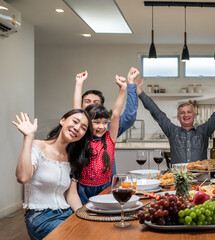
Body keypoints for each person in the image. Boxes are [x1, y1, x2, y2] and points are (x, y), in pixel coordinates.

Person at [12, 110, 92, 240]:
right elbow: (23, 177)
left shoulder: (73, 158)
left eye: (83, 128)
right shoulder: (38, 147)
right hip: (41, 217)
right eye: (75, 121)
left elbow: (72, 195)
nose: (77, 128)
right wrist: (28, 137)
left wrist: (85, 216)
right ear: (62, 121)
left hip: (66, 213)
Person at [135, 75, 215, 164]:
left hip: (200, 179)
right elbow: (156, 112)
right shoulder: (172, 131)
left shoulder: (203, 131)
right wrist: (140, 92)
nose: (186, 115)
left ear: (194, 115)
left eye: (189, 112)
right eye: (182, 113)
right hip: (178, 179)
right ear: (178, 117)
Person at [74, 74, 131, 205]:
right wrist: (79, 83)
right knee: (85, 218)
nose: (102, 126)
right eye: (97, 122)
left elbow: (116, 114)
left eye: (105, 122)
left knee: (105, 214)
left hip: (106, 188)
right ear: (87, 123)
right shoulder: (81, 138)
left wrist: (122, 89)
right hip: (83, 189)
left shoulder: (110, 137)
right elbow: (76, 111)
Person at [73, 67, 140, 176]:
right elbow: (75, 112)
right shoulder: (77, 130)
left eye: (96, 102)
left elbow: (125, 116)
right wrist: (79, 83)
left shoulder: (109, 130)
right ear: (81, 106)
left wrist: (130, 85)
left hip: (107, 186)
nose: (91, 104)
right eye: (87, 101)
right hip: (82, 187)